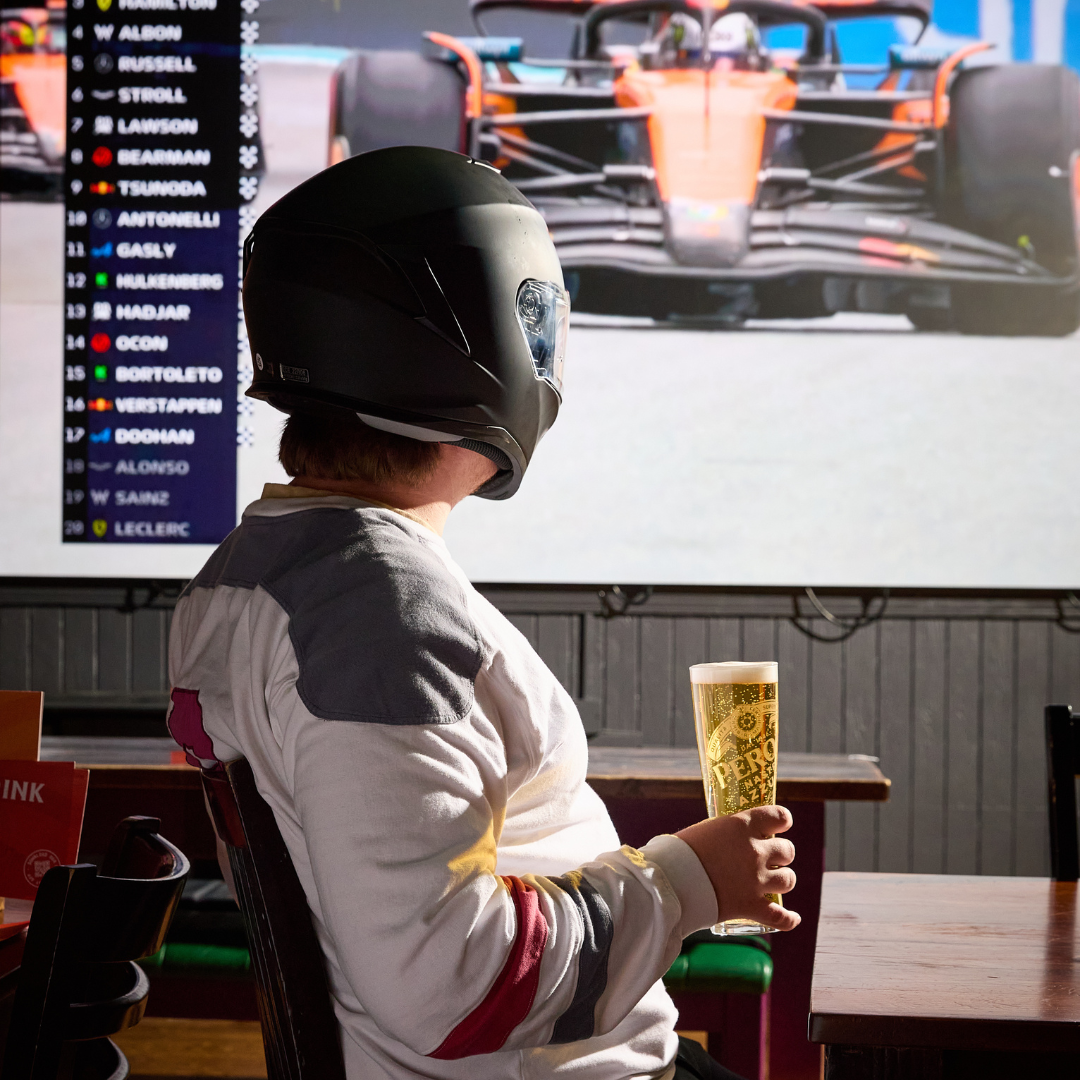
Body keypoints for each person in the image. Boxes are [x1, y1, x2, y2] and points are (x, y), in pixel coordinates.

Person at [167, 146, 798, 1080]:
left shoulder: (256, 574)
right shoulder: (380, 620)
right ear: (472, 342)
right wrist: (689, 879)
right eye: (528, 316)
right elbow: (449, 983)